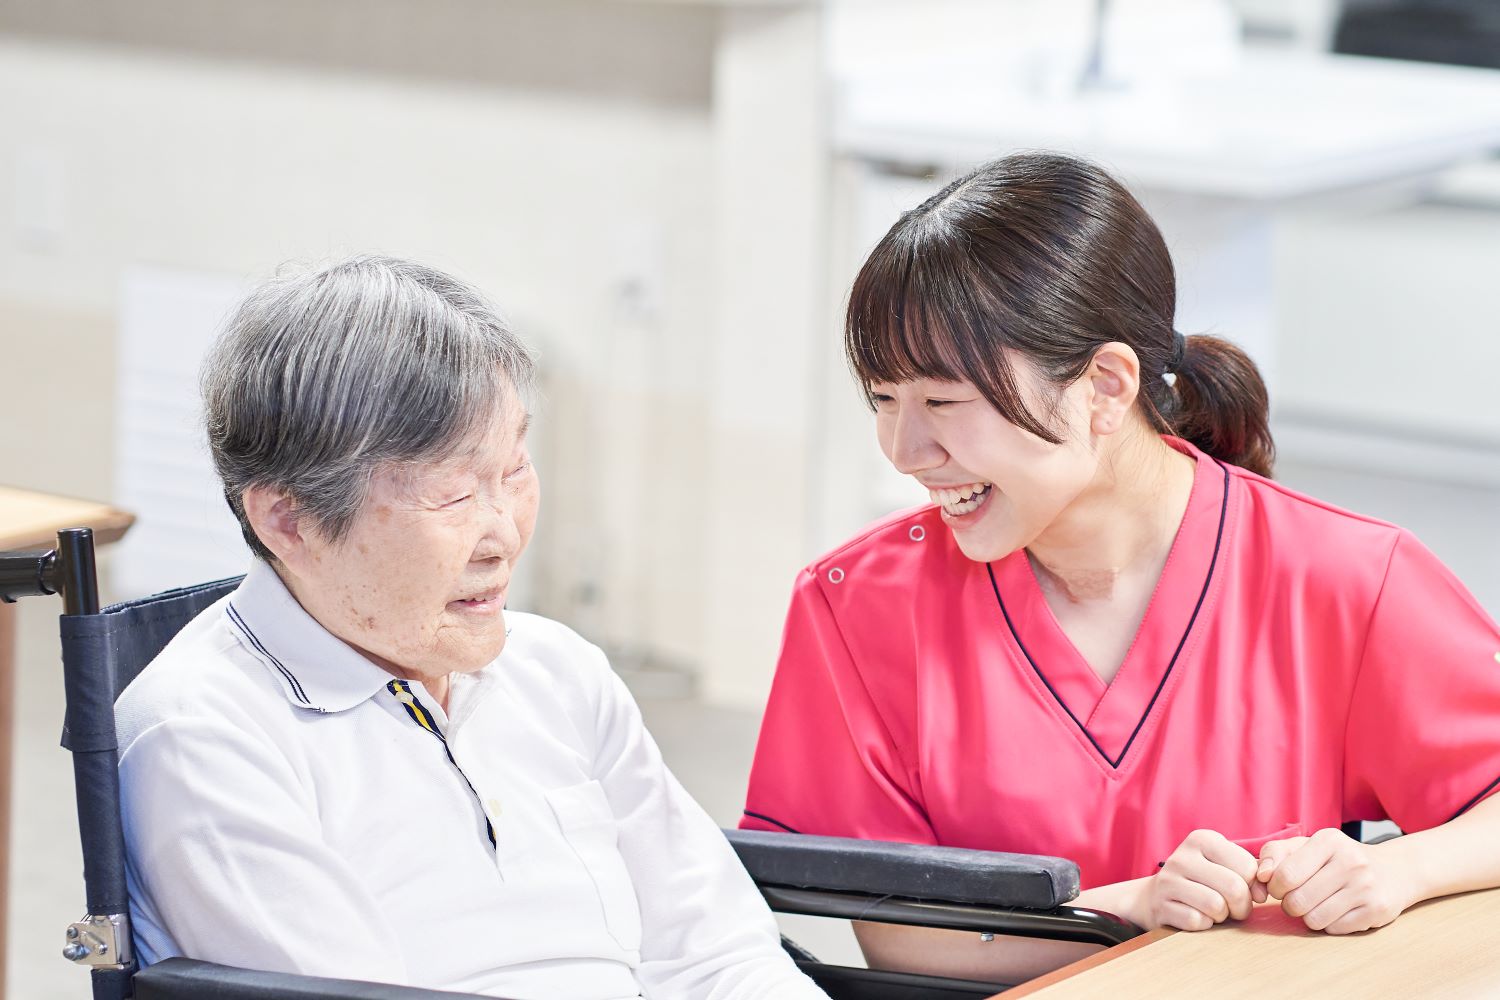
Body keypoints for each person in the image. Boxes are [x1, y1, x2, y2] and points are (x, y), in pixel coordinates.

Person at [740, 153, 1500, 983]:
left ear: (1104, 385)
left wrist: (1401, 869)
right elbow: (896, 934)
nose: (904, 452)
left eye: (943, 403)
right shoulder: (856, 608)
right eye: (884, 401)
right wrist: (1129, 908)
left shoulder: (1347, 578)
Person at [116, 255, 826, 1000]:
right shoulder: (204, 737)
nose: (504, 537)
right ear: (287, 520)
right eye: (452, 495)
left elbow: (716, 952)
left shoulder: (556, 670)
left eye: (514, 470)